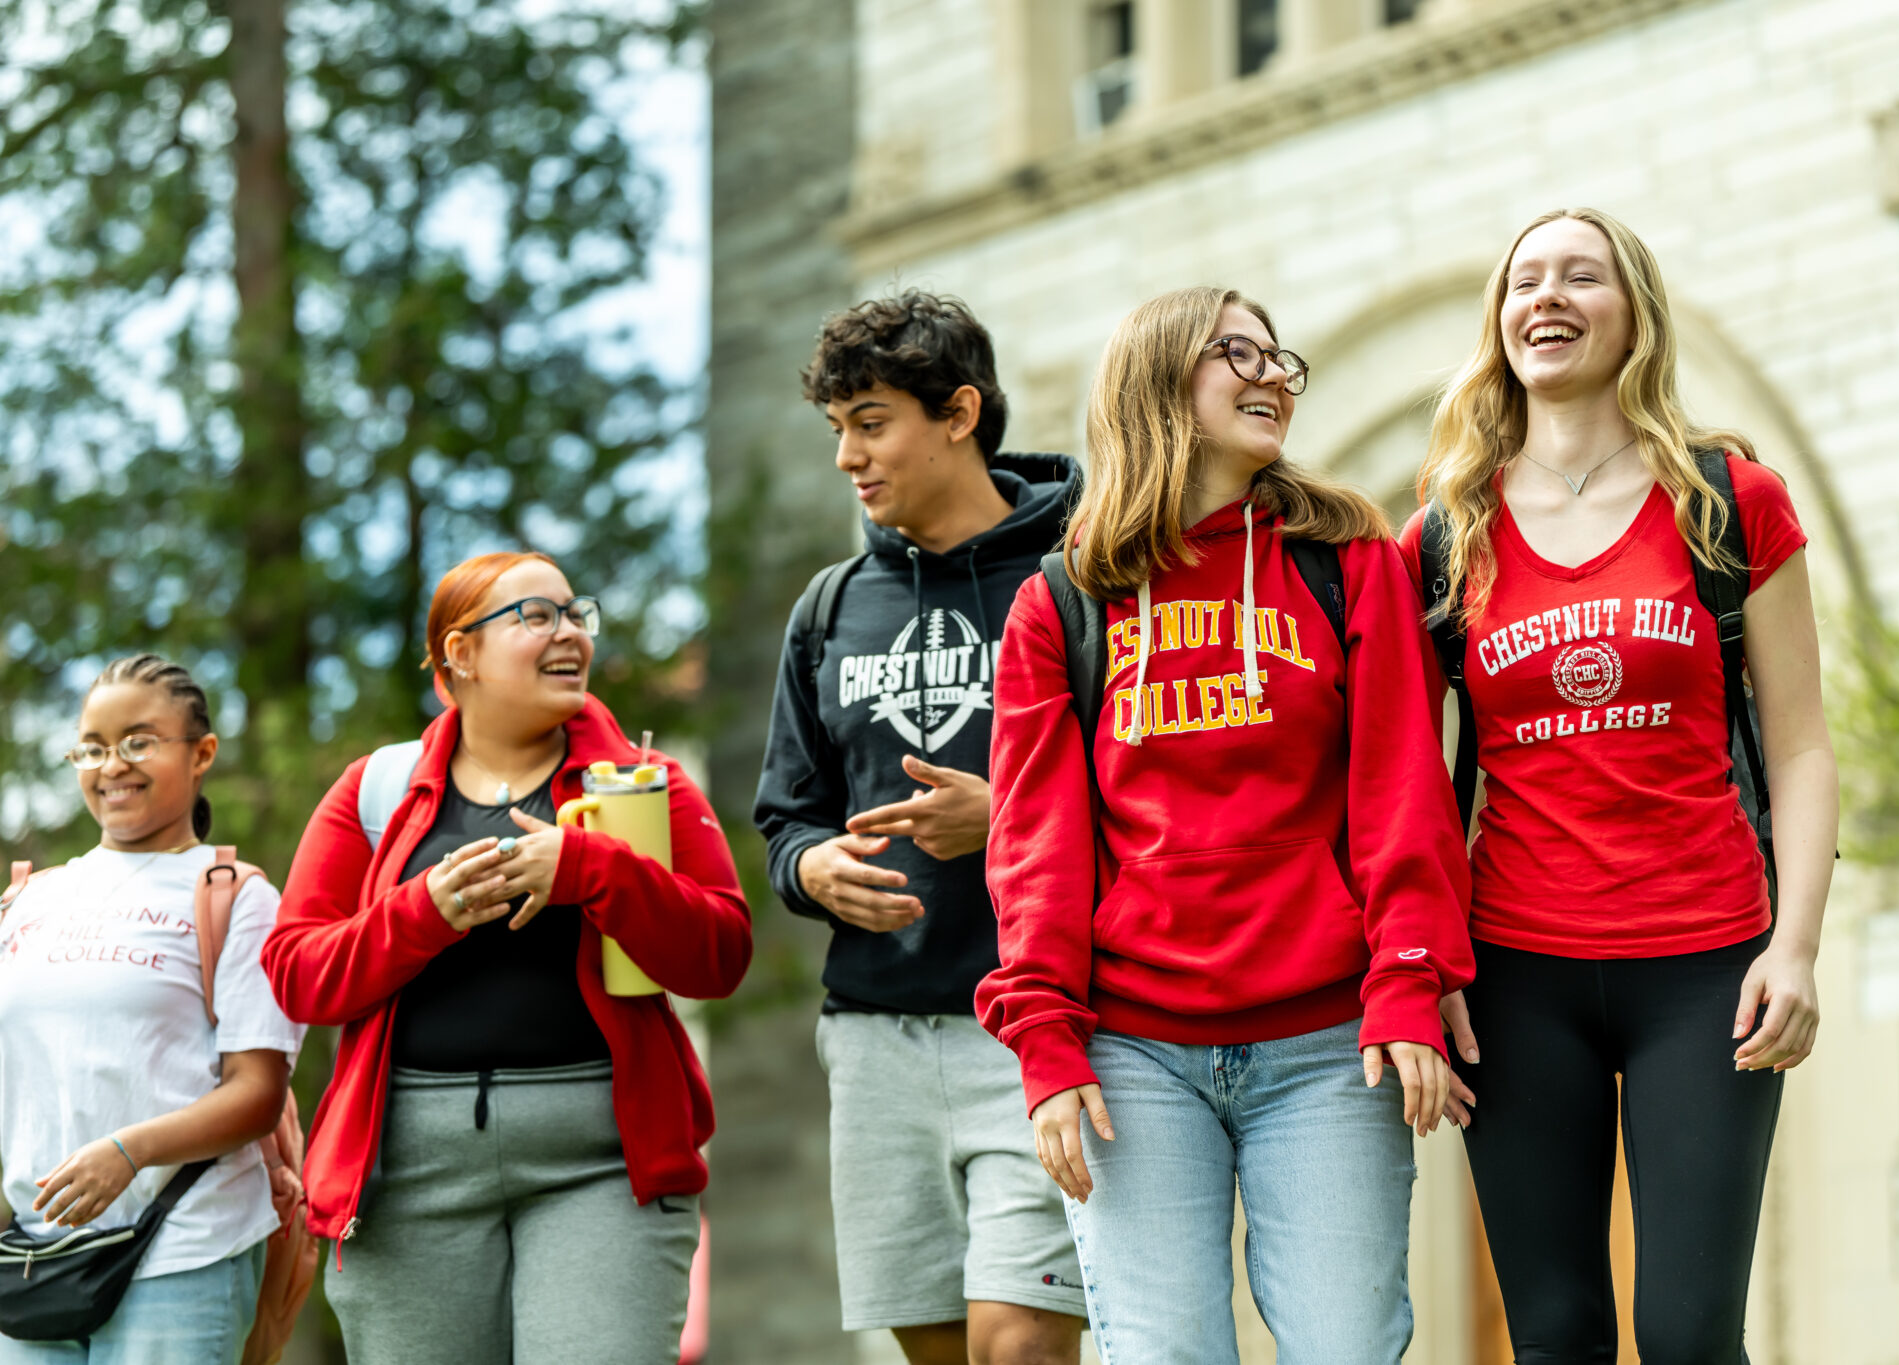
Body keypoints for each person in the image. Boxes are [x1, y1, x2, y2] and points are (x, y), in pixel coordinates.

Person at [975, 286, 1474, 1365]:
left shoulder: (1345, 564)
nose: (1270, 374)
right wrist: (1047, 1043)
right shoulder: (1063, 602)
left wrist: (1407, 980)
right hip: (1131, 1055)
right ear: (1156, 381)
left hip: (1329, 1049)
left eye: (1275, 355)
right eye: (1232, 353)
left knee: (1347, 1348)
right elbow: (1035, 850)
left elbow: (1401, 792)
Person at [1400, 207, 1838, 1362]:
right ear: (1497, 327)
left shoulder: (1727, 502)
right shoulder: (1444, 534)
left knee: (1688, 1334)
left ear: (1632, 312)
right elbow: (1402, 786)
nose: (1545, 297)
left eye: (1578, 277)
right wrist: (1425, 971)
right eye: (1522, 281)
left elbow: (1798, 747)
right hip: (1513, 974)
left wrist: (1791, 948)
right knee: (1551, 1336)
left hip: (1706, 966)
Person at [261, 551, 752, 1365]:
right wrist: (424, 913)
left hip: (605, 1169)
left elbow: (720, 954)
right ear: (460, 654)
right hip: (407, 1180)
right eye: (536, 616)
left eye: (574, 614)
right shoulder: (372, 790)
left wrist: (591, 870)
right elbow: (296, 974)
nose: (568, 634)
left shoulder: (644, 781)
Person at [753, 290, 1089, 1365]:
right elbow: (783, 820)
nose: (848, 456)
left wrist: (1007, 821)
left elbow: (1158, 793)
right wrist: (815, 870)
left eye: (871, 421)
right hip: (873, 1037)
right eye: (837, 429)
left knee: (1019, 1347)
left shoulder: (1083, 579)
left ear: (957, 413)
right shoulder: (828, 608)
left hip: (1036, 1023)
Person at [0, 655, 301, 1364]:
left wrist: (128, 1152)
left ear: (201, 754)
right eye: (94, 746)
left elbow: (258, 1094)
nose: (113, 765)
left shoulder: (236, 897)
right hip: (36, 1261)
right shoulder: (23, 902)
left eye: (139, 741)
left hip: (182, 1254)